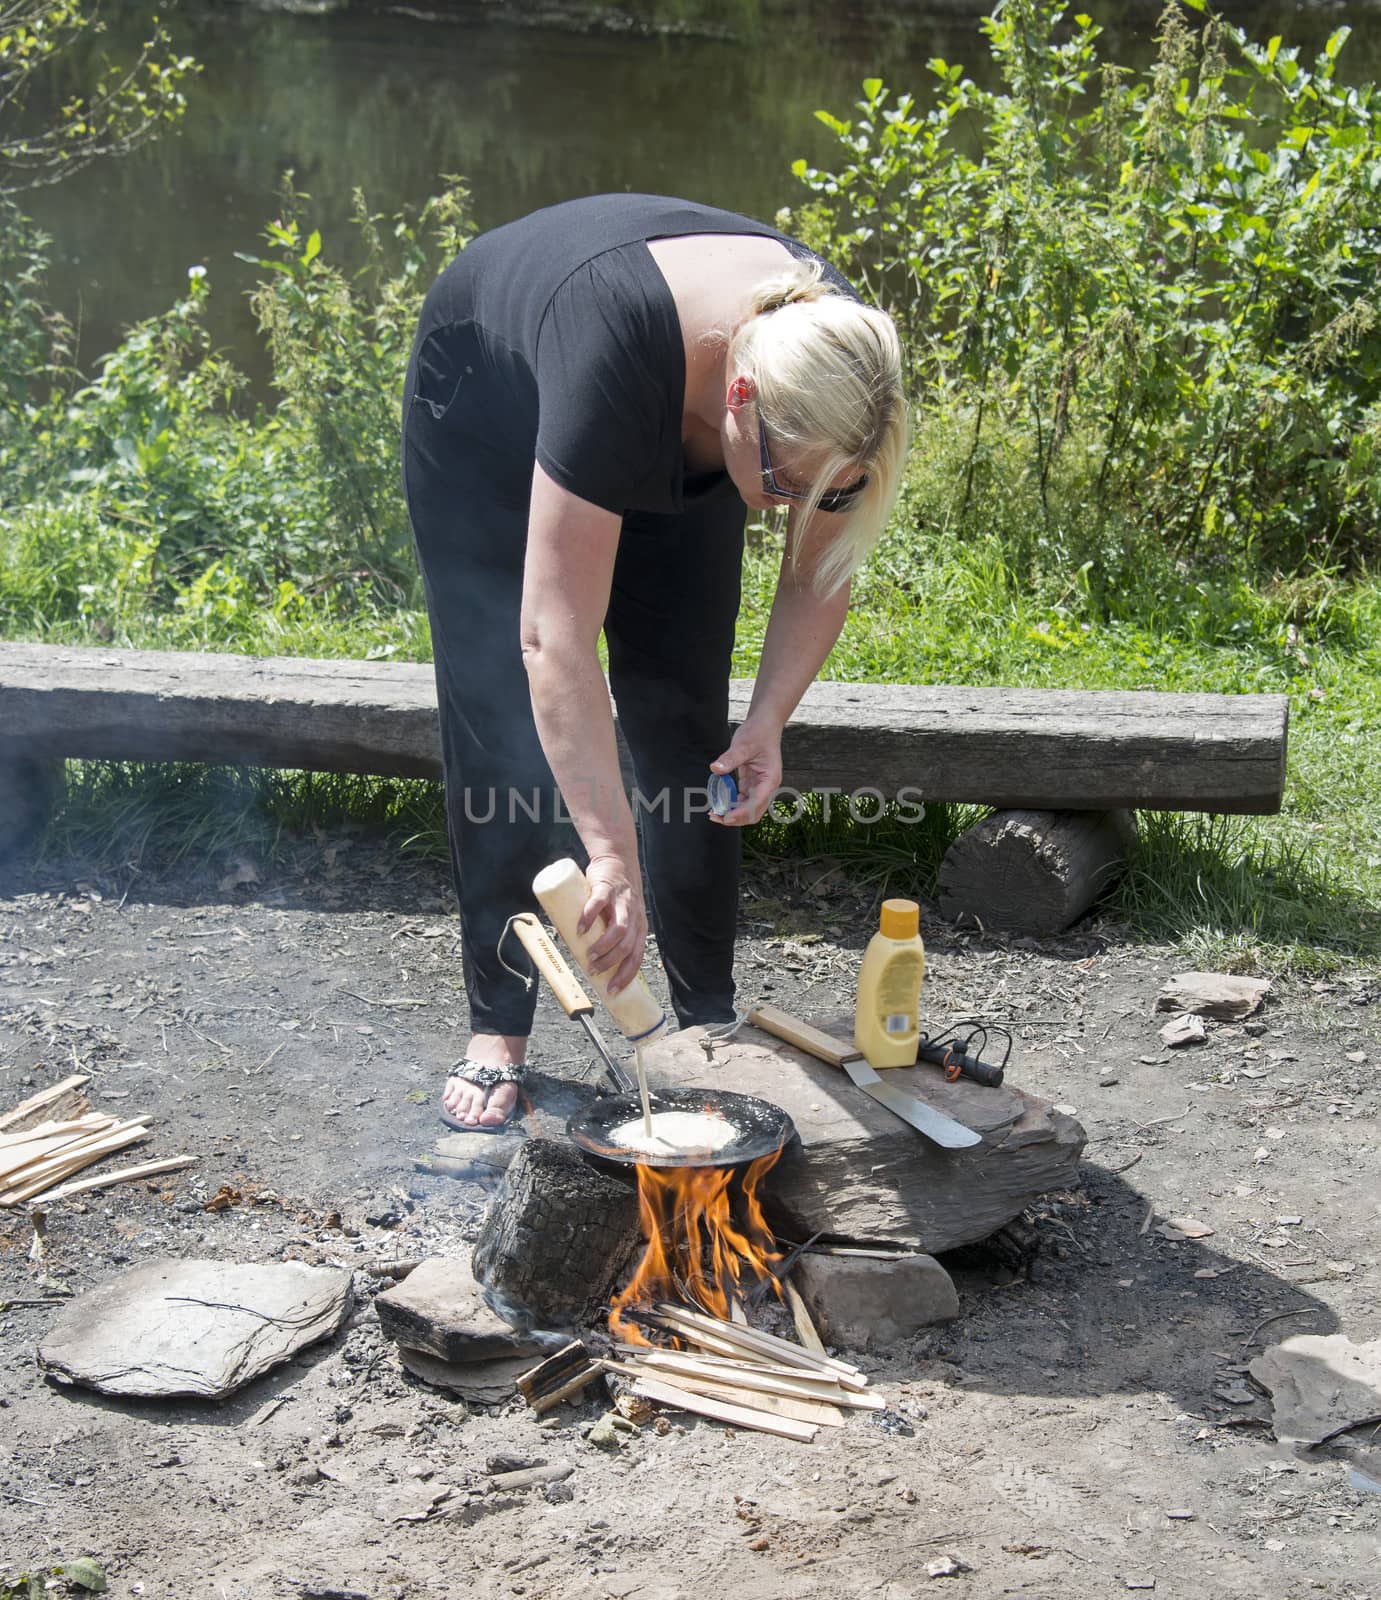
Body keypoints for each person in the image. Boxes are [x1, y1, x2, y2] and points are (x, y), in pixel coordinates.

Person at [401, 193, 907, 1132]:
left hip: (682, 399)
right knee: (500, 700)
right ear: (741, 399)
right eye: (787, 484)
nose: (786, 507)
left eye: (819, 487)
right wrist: (608, 852)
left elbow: (817, 564)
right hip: (491, 404)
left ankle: (707, 1018)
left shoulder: (835, 361)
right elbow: (553, 639)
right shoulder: (612, 347)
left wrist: (766, 722)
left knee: (681, 705)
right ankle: (498, 1024)